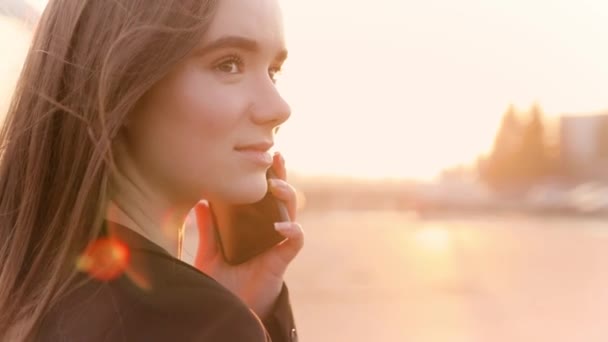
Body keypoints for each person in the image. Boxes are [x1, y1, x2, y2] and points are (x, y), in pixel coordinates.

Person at [0, 0, 304, 340]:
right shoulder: (204, 322)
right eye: (229, 64)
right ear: (122, 83)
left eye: (273, 71)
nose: (279, 108)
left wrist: (247, 310)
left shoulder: (25, 288)